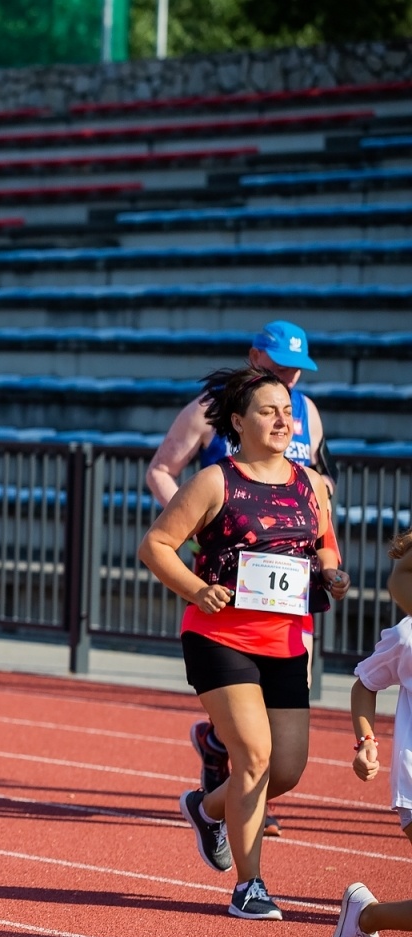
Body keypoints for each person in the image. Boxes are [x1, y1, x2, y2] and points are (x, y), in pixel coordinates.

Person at [138, 366, 348, 919]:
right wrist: (196, 588)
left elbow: (325, 545)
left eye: (287, 411)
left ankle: (207, 810)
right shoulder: (216, 482)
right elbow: (156, 545)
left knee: (287, 769)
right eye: (267, 410)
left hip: (285, 639)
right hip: (219, 636)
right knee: (253, 757)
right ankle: (249, 886)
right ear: (239, 421)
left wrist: (331, 573)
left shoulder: (308, 483)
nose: (282, 420)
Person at [147, 321, 325, 836]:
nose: (288, 378)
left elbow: (314, 478)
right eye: (278, 368)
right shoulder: (209, 409)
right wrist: (194, 521)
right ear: (254, 358)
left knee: (292, 699)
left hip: (288, 584)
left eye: (296, 370)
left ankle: (226, 762)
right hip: (230, 576)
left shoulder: (306, 413)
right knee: (255, 735)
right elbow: (161, 468)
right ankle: (244, 783)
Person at [330, 530, 412, 937]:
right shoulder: (407, 638)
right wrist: (366, 744)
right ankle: (366, 916)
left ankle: (366, 915)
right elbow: (365, 685)